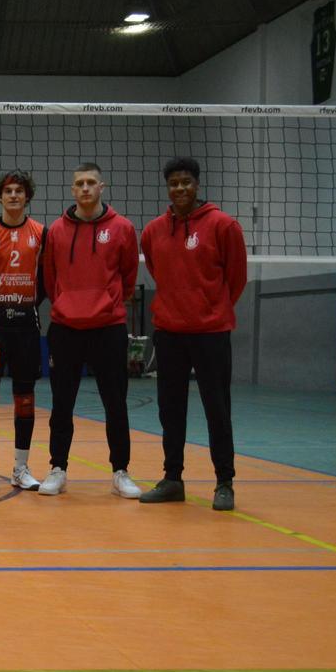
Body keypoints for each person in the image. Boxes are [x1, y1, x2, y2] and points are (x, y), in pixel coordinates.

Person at [139, 157, 247, 511]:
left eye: (186, 182)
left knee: (217, 408)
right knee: (170, 410)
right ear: (167, 187)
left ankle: (224, 482)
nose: (180, 188)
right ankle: (173, 479)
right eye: (174, 183)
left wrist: (210, 310)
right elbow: (157, 271)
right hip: (169, 333)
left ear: (197, 184)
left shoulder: (223, 225)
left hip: (211, 332)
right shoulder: (154, 231)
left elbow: (236, 278)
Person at [38, 162, 142, 498]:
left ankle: (120, 471)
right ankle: (58, 468)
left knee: (116, 403)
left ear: (102, 187)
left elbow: (128, 277)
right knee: (61, 403)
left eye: (91, 183)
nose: (85, 188)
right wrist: (69, 302)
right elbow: (51, 278)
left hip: (108, 327)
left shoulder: (123, 228)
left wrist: (106, 303)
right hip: (66, 327)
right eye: (79, 183)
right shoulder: (56, 230)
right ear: (72, 190)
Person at [0, 171, 46, 493]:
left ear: (26, 197)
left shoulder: (41, 232)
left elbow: (46, 277)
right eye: (7, 191)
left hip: (26, 322)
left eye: (18, 191)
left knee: (25, 398)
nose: (13, 195)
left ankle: (20, 467)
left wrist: (27, 302)